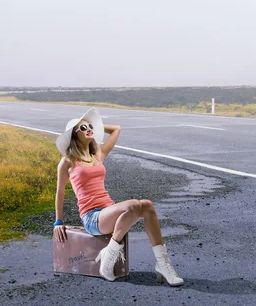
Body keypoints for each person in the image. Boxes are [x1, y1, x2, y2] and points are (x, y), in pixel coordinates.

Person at [53, 108, 183, 286]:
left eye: (90, 126)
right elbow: (59, 192)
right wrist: (58, 222)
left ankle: (163, 264)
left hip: (110, 210)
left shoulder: (97, 155)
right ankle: (109, 255)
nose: (89, 129)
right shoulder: (67, 161)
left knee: (148, 206)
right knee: (135, 205)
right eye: (83, 128)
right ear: (74, 136)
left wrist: (95, 126)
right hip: (93, 217)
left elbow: (116, 129)